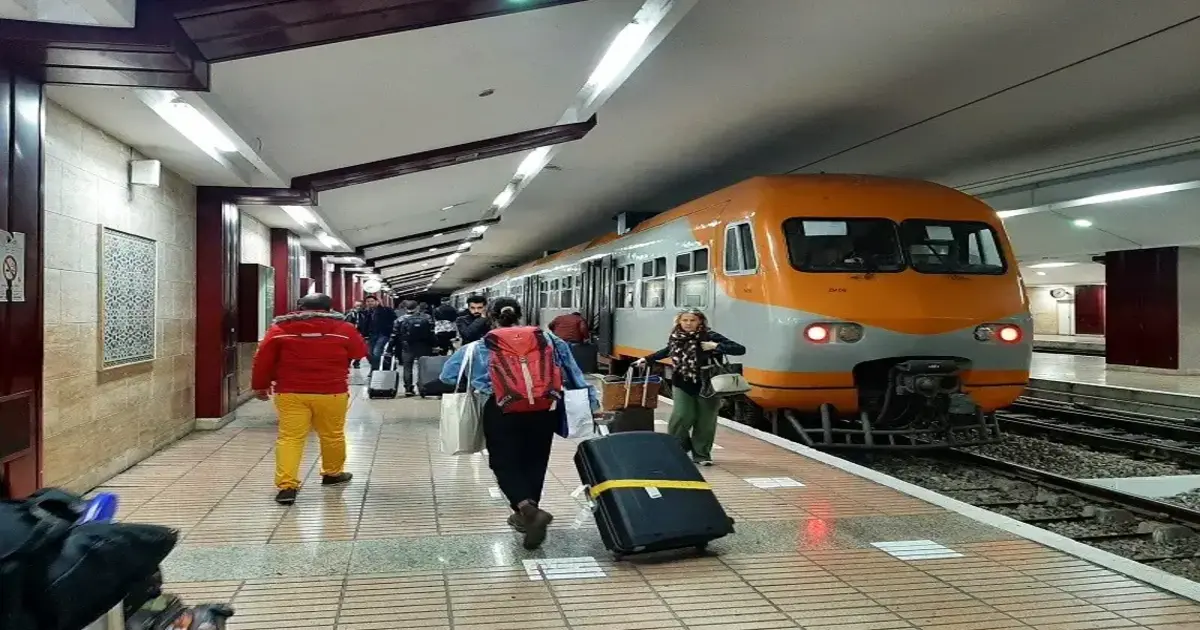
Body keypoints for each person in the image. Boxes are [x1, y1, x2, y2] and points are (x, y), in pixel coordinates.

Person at [440, 297, 598, 550]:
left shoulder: (480, 346)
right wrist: (591, 404)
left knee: (503, 462)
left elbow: (448, 375)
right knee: (535, 461)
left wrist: (484, 383)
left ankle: (528, 510)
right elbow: (573, 374)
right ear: (520, 314)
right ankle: (528, 514)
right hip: (543, 408)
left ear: (491, 317)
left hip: (501, 409)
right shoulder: (550, 340)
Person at [251, 293, 367, 505]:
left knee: (290, 438)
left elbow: (262, 359)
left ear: (300, 308)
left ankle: (287, 486)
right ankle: (332, 473)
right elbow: (360, 351)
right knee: (332, 434)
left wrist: (260, 385)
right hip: (332, 391)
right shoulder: (344, 329)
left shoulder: (280, 329)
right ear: (330, 308)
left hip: (291, 392)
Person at [634, 308, 745, 466]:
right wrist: (647, 359)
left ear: (700, 321)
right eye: (685, 320)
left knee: (706, 421)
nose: (688, 323)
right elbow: (667, 351)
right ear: (679, 322)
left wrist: (715, 346)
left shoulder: (710, 336)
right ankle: (678, 448)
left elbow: (740, 349)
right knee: (681, 416)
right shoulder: (676, 337)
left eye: (692, 320)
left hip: (708, 385)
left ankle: (702, 455)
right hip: (682, 382)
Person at [390, 300, 439, 397]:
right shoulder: (426, 317)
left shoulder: (400, 319)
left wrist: (390, 347)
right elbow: (431, 332)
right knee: (423, 367)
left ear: (405, 308)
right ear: (417, 307)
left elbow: (394, 334)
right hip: (424, 345)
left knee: (407, 368)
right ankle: (423, 388)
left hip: (407, 346)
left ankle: (408, 389)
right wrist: (435, 344)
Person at [360, 295, 397, 370]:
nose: (370, 303)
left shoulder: (386, 310)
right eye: (368, 301)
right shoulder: (366, 313)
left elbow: (394, 320)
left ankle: (375, 369)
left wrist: (391, 330)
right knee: (368, 353)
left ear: (377, 302)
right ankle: (385, 366)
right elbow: (364, 324)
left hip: (383, 334)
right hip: (371, 335)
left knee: (376, 352)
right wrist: (363, 334)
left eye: (372, 301)